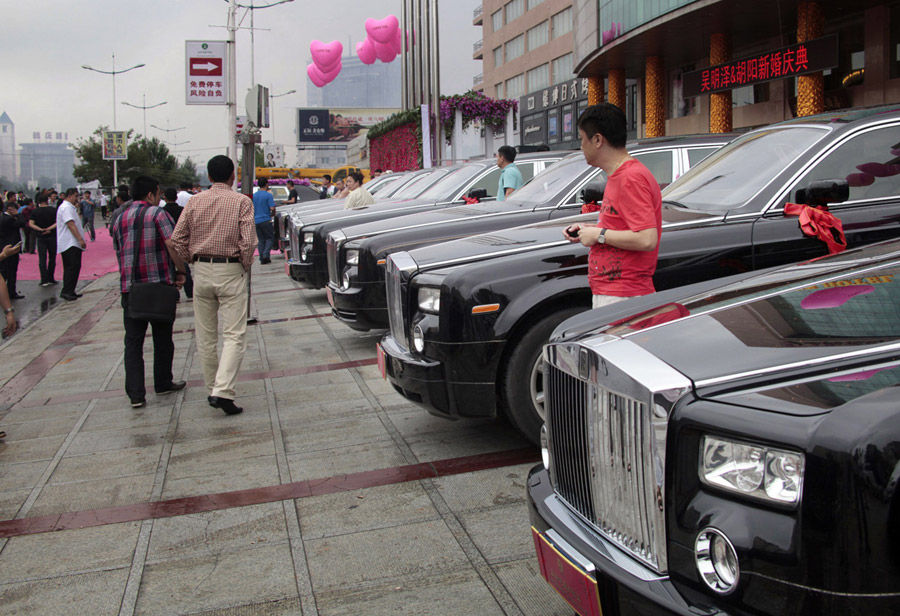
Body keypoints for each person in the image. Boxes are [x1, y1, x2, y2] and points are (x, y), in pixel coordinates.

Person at [171, 155, 257, 416]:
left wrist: (191, 260)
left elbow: (177, 239)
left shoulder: (195, 202)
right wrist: (243, 264)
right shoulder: (242, 202)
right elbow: (249, 241)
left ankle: (214, 389)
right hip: (230, 269)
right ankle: (223, 390)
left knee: (206, 335)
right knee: (234, 334)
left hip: (202, 271)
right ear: (233, 175)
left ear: (209, 177)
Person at [563, 103, 662, 309]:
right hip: (614, 292)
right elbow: (621, 225)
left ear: (598, 140)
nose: (581, 147)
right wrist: (588, 230)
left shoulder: (630, 178)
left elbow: (646, 239)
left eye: (582, 139)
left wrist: (599, 235)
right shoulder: (619, 176)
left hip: (624, 295)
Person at [111, 176, 188, 408]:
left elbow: (118, 250)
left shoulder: (118, 218)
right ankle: (163, 382)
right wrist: (181, 270)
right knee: (162, 338)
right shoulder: (157, 214)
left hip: (131, 289)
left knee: (133, 342)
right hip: (159, 287)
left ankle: (136, 394)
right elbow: (171, 244)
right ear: (150, 194)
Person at [161, 187, 193, 299]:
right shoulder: (182, 210)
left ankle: (175, 294)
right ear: (176, 197)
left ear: (165, 198)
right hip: (181, 243)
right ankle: (190, 291)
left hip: (167, 244)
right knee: (184, 268)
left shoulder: (162, 212)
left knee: (170, 269)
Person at [57, 187, 87, 301]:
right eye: (76, 196)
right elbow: (70, 224)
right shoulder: (66, 208)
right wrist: (80, 239)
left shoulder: (70, 207)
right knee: (71, 267)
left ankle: (70, 290)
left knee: (74, 267)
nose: (77, 199)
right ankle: (67, 291)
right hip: (70, 243)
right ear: (70, 196)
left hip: (72, 243)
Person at [29, 191, 57, 286]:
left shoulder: (35, 211)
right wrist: (49, 229)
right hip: (52, 236)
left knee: (42, 258)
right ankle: (51, 277)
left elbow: (31, 224)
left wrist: (41, 229)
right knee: (52, 258)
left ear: (38, 202)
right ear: (47, 200)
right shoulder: (53, 210)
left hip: (41, 237)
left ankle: (44, 279)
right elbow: (57, 222)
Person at [0, 198, 23, 299]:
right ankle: (10, 292)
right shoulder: (8, 219)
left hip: (4, 247)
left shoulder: (3, 218)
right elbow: (22, 223)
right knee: (10, 272)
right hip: (10, 248)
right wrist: (18, 214)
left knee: (5, 272)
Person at [252, 178, 276, 264]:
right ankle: (266, 254)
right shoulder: (268, 195)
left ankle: (263, 258)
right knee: (269, 238)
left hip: (256, 221)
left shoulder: (254, 195)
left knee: (261, 240)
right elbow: (272, 208)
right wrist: (273, 214)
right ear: (266, 184)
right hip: (266, 219)